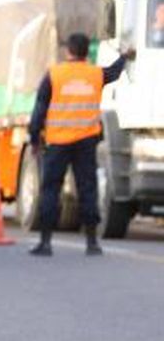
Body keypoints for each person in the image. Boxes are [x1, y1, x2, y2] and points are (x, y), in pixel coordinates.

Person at [28, 33, 135, 256]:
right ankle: (92, 243)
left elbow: (39, 109)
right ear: (87, 52)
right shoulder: (95, 74)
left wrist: (34, 138)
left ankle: (46, 242)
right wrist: (125, 56)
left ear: (68, 51)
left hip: (57, 143)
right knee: (88, 189)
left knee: (50, 190)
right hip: (86, 142)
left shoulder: (54, 75)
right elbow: (114, 72)